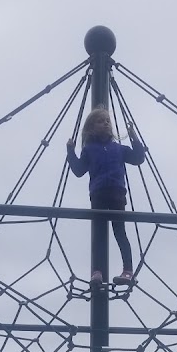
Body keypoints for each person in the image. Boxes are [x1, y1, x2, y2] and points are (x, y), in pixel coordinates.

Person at [66, 107, 146, 286]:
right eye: (101, 121)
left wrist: (134, 137)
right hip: (99, 194)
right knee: (100, 234)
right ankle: (97, 272)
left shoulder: (119, 149)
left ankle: (128, 271)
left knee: (120, 232)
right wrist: (71, 152)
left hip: (117, 193)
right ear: (91, 128)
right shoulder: (89, 150)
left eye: (108, 121)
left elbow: (138, 158)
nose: (106, 123)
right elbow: (79, 170)